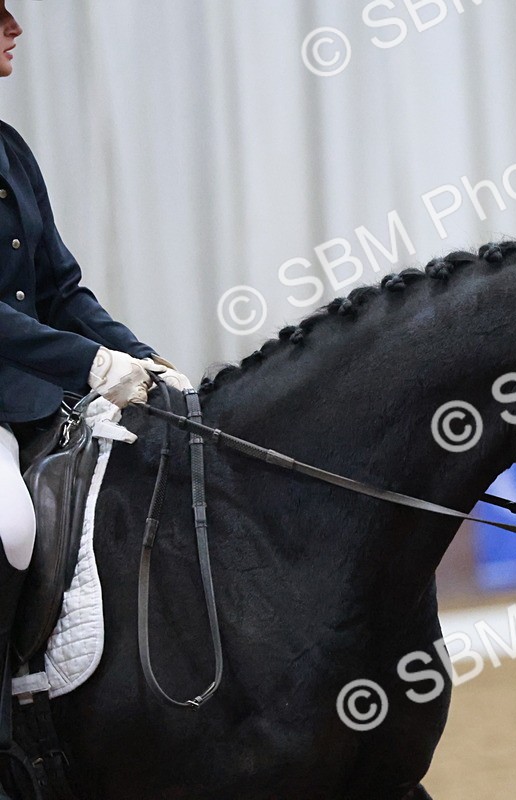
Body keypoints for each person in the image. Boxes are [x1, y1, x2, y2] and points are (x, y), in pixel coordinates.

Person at [0, 2, 190, 790]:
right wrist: (89, 365)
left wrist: (143, 360)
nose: (16, 30)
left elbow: (59, 288)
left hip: (34, 397)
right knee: (9, 525)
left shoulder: (9, 148)